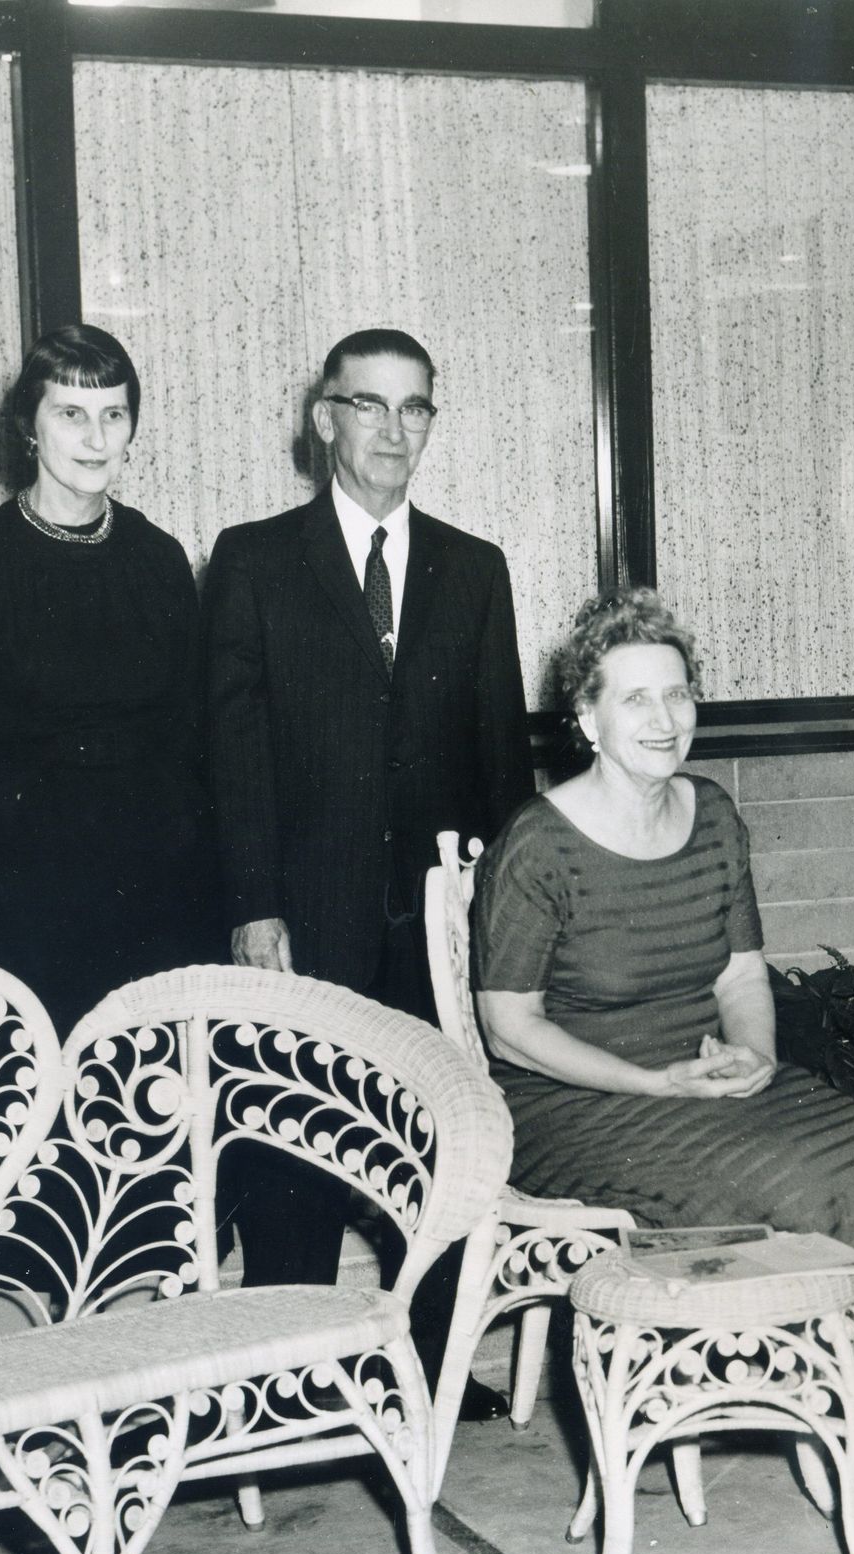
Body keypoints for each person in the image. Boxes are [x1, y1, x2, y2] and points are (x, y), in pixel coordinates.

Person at [473, 591, 854, 1488]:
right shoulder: (537, 844)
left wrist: (752, 1056)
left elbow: (740, 976)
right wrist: (656, 1085)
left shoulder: (713, 815)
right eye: (634, 698)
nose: (663, 718)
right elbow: (511, 1029)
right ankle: (818, 1389)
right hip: (572, 1100)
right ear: (587, 718)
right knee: (782, 1186)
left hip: (700, 1076)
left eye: (677, 693)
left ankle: (812, 1344)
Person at [206, 327, 535, 1419]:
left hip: (438, 927)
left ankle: (432, 1367)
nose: (394, 430)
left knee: (441, 1141)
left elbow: (501, 763)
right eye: (370, 405)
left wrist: (502, 928)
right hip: (304, 916)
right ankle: (287, 1376)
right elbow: (232, 755)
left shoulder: (474, 569)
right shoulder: (254, 560)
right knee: (296, 1142)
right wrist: (254, 906)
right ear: (325, 418)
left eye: (415, 407)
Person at [0, 324, 220, 1036]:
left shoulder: (159, 559)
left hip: (162, 899)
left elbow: (192, 748)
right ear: (29, 425)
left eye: (114, 414)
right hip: (26, 908)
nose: (96, 437)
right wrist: (6, 898)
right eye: (71, 413)